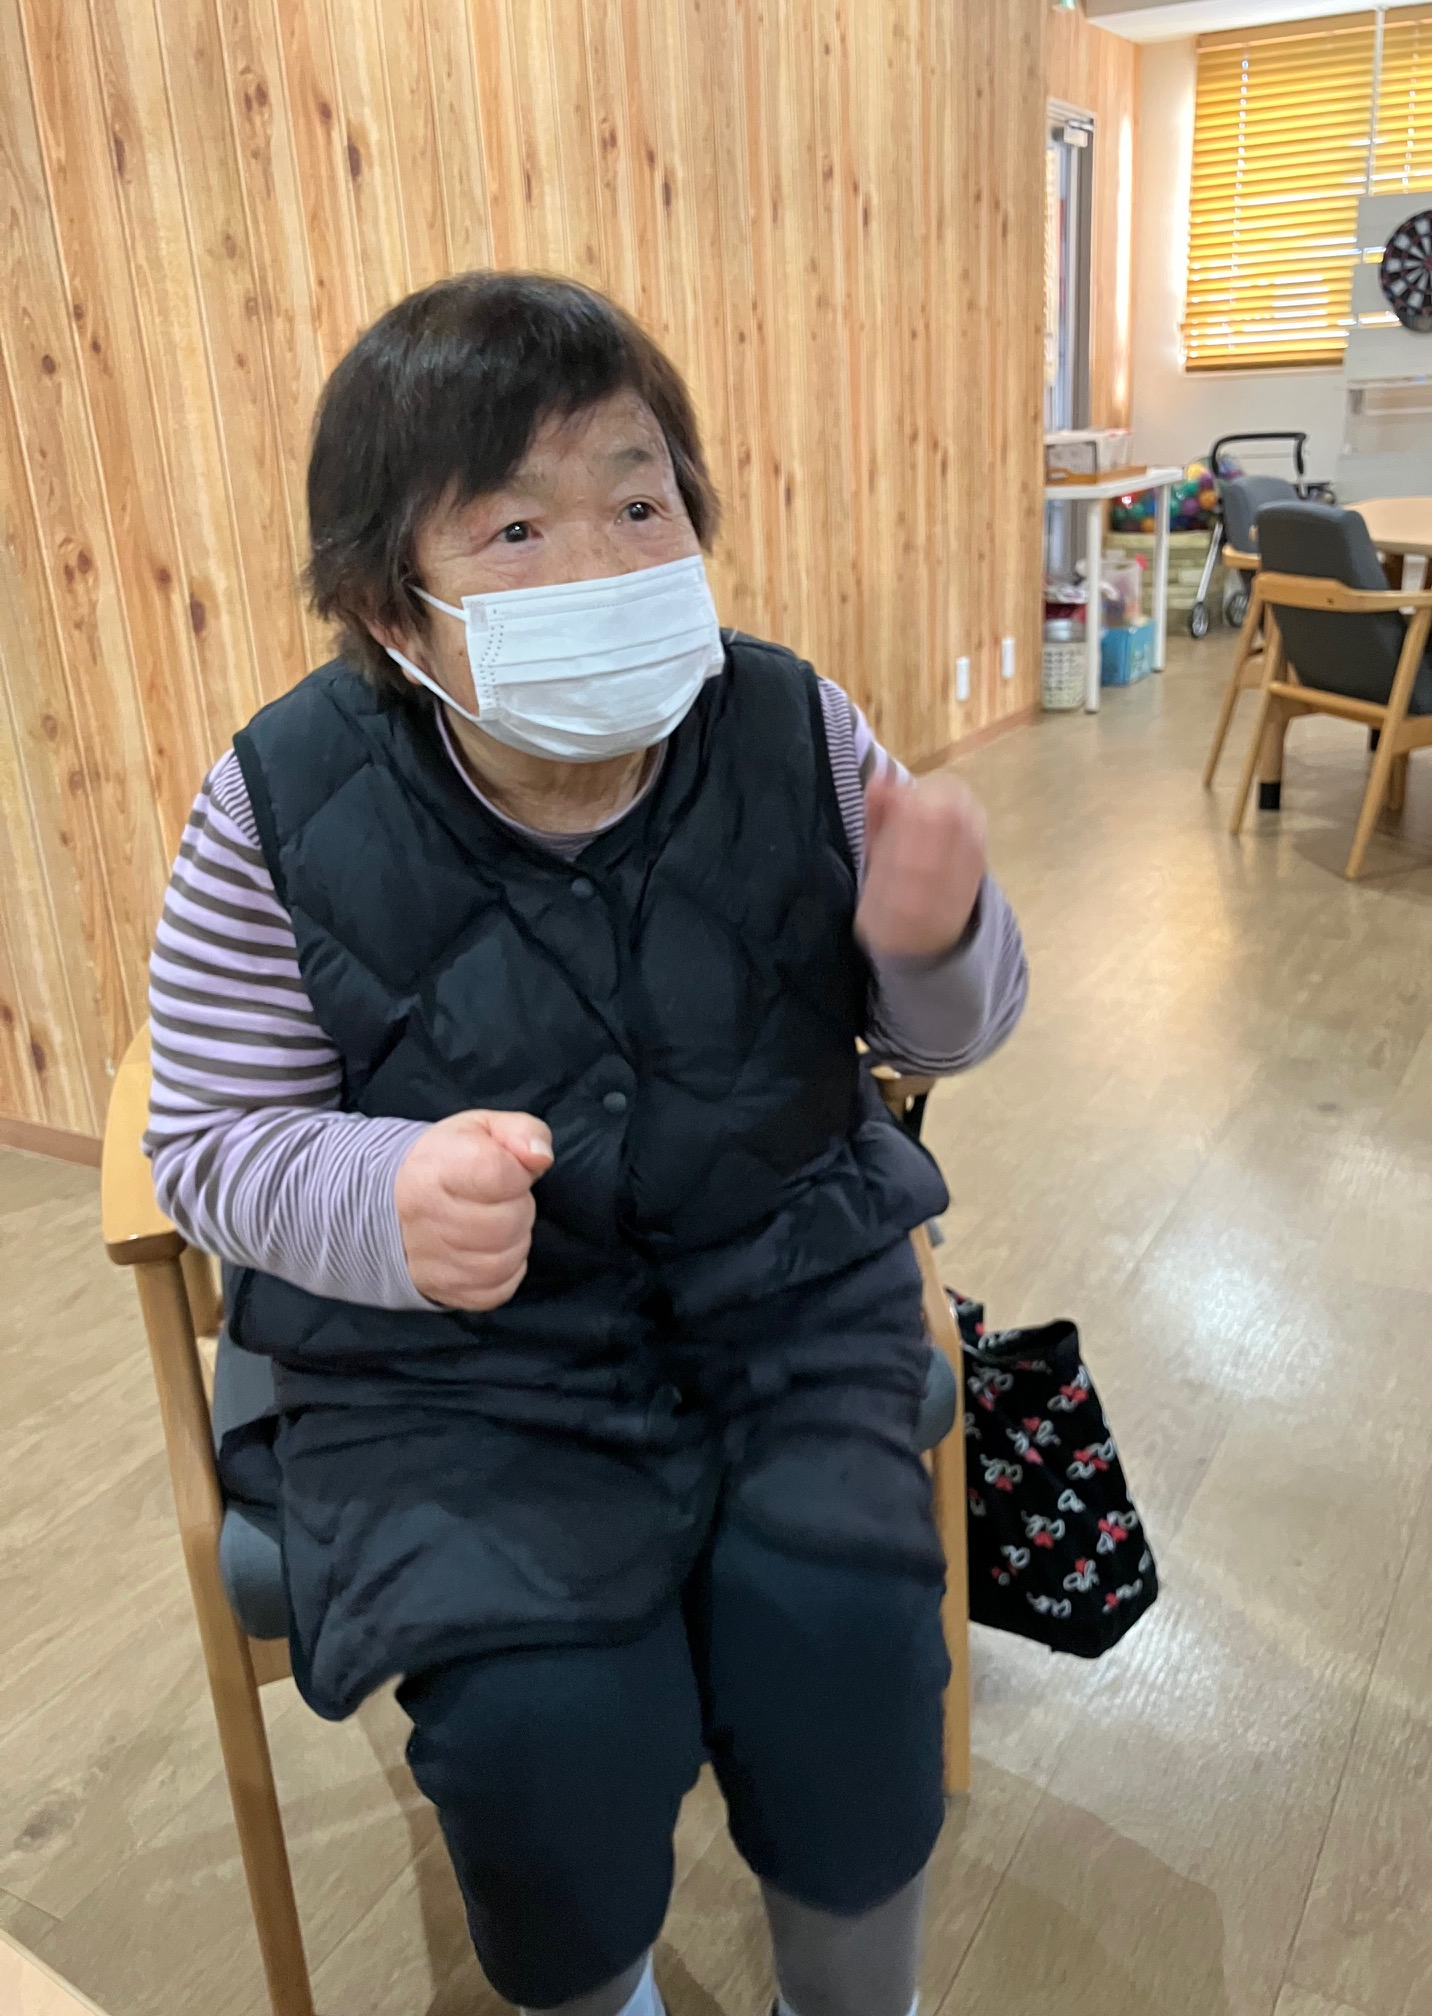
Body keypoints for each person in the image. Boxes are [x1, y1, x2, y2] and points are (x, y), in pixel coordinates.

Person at [146, 272, 1027, 2016]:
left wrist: (939, 947)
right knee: (544, 1738)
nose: (605, 567)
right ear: (387, 601)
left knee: (849, 1658)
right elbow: (207, 1138)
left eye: (640, 504)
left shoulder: (793, 725)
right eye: (514, 529)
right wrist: (383, 1196)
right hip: (454, 1376)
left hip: (786, 1304)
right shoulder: (277, 802)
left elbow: (931, 1045)